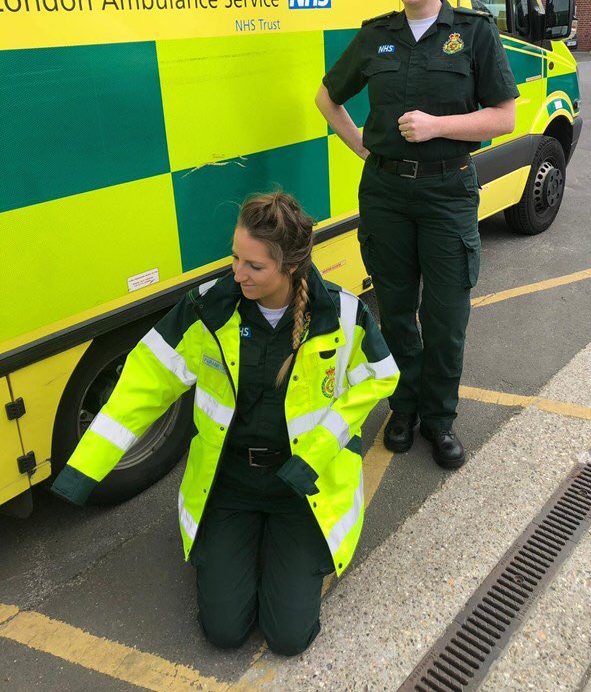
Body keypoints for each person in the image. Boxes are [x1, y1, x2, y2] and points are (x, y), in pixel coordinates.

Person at [51, 192, 398, 656]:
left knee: (288, 638)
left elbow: (379, 377)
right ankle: (248, 544)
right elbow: (143, 384)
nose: (238, 273)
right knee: (224, 632)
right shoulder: (206, 309)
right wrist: (84, 469)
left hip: (302, 485)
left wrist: (314, 455)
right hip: (229, 481)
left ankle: (277, 548)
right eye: (235, 257)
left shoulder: (342, 314)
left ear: (291, 265)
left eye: (254, 266)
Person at [315, 0, 519, 467]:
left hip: (448, 191)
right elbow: (327, 98)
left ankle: (439, 419)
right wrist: (364, 147)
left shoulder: (474, 32)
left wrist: (436, 127)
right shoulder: (376, 35)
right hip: (385, 193)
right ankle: (403, 409)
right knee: (397, 311)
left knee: (446, 315)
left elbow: (504, 116)